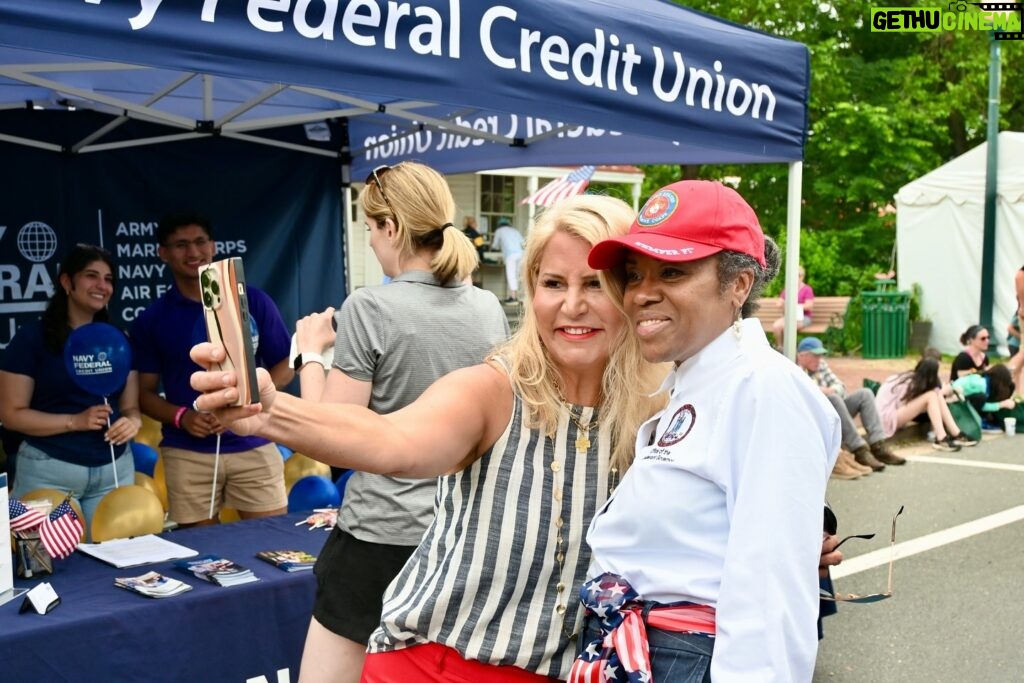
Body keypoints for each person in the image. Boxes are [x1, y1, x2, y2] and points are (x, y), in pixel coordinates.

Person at [191, 194, 669, 680]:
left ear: (632, 290)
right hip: (439, 666)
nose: (571, 304)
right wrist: (270, 411)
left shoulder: (660, 410)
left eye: (594, 283)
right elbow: (392, 440)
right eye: (552, 283)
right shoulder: (496, 390)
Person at [576, 180, 840, 682]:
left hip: (685, 659)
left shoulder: (762, 388)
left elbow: (770, 595)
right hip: (643, 652)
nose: (642, 294)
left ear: (739, 284)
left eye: (672, 271)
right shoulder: (698, 383)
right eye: (634, 275)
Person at [291, 162, 510, 683]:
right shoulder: (487, 308)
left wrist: (310, 354)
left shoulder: (371, 306)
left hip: (380, 540)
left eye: (369, 227)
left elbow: (333, 438)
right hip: (460, 536)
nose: (369, 240)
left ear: (391, 228)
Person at [130, 211, 292, 528]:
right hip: (188, 453)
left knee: (276, 547)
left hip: (255, 441)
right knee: (203, 564)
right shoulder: (153, 319)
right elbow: (143, 394)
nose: (193, 252)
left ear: (213, 246)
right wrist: (183, 417)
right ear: (163, 253)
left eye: (200, 241)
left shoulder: (253, 301)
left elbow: (286, 365)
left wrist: (245, 399)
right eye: (180, 244)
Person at [0, 244, 141, 535]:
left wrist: (132, 423)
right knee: (43, 569)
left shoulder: (118, 339)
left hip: (113, 471)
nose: (102, 285)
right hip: (49, 471)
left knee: (115, 571)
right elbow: (11, 415)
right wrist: (74, 421)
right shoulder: (32, 338)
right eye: (92, 276)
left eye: (108, 279)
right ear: (67, 282)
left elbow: (131, 409)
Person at [796, 336, 906, 470]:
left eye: (820, 355)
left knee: (865, 394)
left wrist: (829, 390)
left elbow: (840, 387)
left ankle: (878, 446)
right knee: (834, 399)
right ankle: (859, 450)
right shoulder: (796, 371)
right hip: (818, 418)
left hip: (837, 411)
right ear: (802, 355)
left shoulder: (821, 365)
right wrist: (824, 391)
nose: (819, 359)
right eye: (815, 356)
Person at [875, 357, 978, 452]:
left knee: (935, 394)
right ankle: (941, 438)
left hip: (891, 415)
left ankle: (956, 433)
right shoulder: (908, 383)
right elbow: (901, 405)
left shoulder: (914, 379)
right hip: (886, 419)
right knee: (932, 395)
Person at [952, 363, 1017, 429]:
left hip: (963, 400)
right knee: (981, 398)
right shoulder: (981, 384)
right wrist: (1001, 404)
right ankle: (976, 422)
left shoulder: (986, 380)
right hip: (956, 403)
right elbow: (980, 405)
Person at [771, 264, 814, 350]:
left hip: (803, 317)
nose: (795, 278)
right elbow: (779, 302)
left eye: (797, 276)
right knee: (776, 326)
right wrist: (781, 304)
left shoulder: (807, 289)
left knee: (788, 327)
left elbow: (809, 305)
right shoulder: (788, 289)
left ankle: (790, 350)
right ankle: (780, 348)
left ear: (802, 277)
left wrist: (794, 306)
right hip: (789, 316)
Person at [491, 216, 525, 302]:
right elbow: (523, 242)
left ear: (499, 225)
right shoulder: (515, 231)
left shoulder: (499, 231)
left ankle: (513, 297)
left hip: (511, 255)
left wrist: (492, 246)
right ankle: (516, 296)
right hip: (521, 254)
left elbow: (495, 245)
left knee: (511, 275)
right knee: (517, 275)